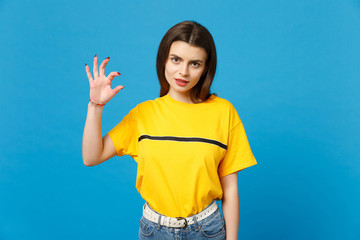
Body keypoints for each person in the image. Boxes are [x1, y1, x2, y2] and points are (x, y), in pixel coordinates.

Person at [82, 20, 257, 240]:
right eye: (176, 59)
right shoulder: (143, 114)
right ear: (163, 59)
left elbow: (230, 189)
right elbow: (91, 157)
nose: (183, 72)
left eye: (195, 63)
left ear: (205, 69)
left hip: (207, 230)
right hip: (154, 231)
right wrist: (95, 105)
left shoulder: (224, 112)